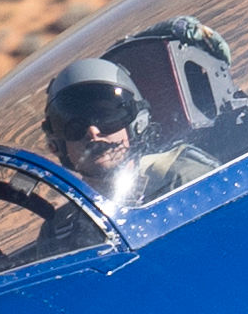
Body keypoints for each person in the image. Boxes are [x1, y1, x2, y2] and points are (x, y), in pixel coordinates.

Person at [38, 60, 203, 216]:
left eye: (106, 117)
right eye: (74, 126)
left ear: (137, 123)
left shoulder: (185, 180)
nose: (93, 132)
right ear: (59, 144)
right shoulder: (63, 228)